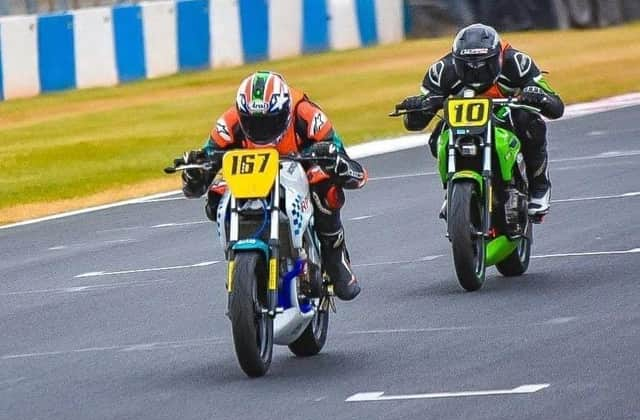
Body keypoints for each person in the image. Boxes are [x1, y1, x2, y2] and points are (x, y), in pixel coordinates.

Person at [177, 71, 367, 301]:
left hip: (300, 171)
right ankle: (238, 259)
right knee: (216, 197)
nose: (261, 130)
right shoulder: (229, 122)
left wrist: (336, 162)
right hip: (250, 175)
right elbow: (198, 181)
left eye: (269, 121)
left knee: (326, 186)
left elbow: (352, 170)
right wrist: (195, 173)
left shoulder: (307, 114)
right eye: (253, 122)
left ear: (285, 110)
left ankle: (335, 257)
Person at [398, 23, 564, 216]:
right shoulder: (441, 70)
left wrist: (537, 95)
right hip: (463, 120)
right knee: (437, 138)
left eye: (483, 64)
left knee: (530, 122)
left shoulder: (518, 62)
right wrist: (419, 107)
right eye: (467, 65)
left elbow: (556, 107)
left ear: (498, 57)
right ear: (456, 59)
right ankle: (453, 189)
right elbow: (413, 124)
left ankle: (539, 185)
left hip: (506, 113)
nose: (475, 71)